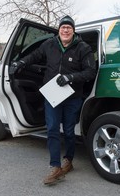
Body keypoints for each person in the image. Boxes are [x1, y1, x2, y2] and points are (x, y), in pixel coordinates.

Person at [11, 15, 97, 185]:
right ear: (59, 29)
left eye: (69, 28)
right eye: (63, 27)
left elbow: (90, 72)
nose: (66, 30)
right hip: (52, 96)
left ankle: (69, 160)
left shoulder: (83, 48)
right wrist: (21, 62)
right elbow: (34, 56)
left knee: (69, 131)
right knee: (52, 129)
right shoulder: (49, 44)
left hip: (72, 96)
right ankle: (55, 166)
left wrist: (70, 77)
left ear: (73, 30)